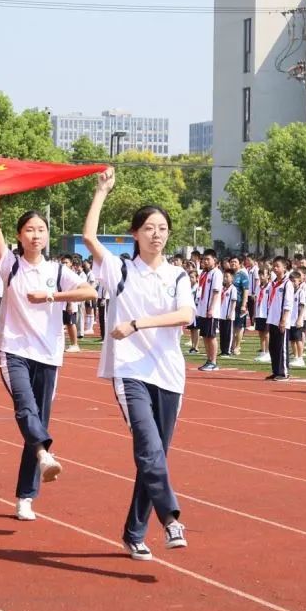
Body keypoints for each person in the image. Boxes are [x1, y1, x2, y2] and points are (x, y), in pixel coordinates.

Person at [83, 167, 194, 561]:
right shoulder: (121, 269)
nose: (157, 234)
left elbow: (185, 315)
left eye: (162, 227)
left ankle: (134, 532)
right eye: (148, 227)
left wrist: (136, 323)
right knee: (148, 450)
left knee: (155, 458)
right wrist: (101, 192)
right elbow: (90, 238)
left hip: (169, 374)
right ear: (135, 234)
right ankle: (171, 519)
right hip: (131, 372)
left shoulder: (178, 275)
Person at [0, 195, 95, 522]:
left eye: (41, 230)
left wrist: (52, 295)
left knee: (35, 424)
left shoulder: (58, 271)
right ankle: (44, 453)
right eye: (30, 230)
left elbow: (90, 292)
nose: (36, 235)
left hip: (48, 354)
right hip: (14, 349)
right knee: (25, 408)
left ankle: (26, 495)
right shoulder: (10, 264)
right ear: (19, 236)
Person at [266, 257, 294, 381]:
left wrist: (284, 319)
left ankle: (283, 372)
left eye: (277, 266)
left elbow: (288, 303)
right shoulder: (273, 283)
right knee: (273, 346)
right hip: (272, 318)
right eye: (274, 266)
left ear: (284, 267)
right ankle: (276, 370)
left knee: (281, 346)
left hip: (282, 319)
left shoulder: (288, 283)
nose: (275, 268)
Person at [194, 250, 221, 371]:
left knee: (211, 336)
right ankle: (208, 359)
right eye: (203, 259)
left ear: (214, 260)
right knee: (204, 335)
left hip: (211, 311)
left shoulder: (216, 274)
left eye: (207, 259)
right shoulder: (204, 274)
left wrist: (211, 308)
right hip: (202, 309)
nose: (205, 261)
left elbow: (216, 292)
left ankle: (213, 361)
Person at [230, 257, 250, 355]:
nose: (233, 263)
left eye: (235, 262)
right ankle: (232, 345)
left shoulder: (243, 275)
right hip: (230, 304)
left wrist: (244, 304)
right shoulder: (230, 274)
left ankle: (237, 346)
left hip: (239, 303)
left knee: (239, 326)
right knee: (232, 326)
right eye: (231, 262)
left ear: (239, 263)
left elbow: (246, 290)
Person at [217, 269, 238, 358]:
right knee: (222, 333)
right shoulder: (222, 288)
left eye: (227, 276)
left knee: (228, 333)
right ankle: (223, 350)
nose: (225, 278)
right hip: (221, 314)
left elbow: (233, 302)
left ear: (232, 278)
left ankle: (228, 351)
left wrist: (231, 313)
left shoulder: (233, 289)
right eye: (224, 276)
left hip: (228, 315)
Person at [252, 266, 271, 363]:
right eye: (260, 274)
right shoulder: (258, 286)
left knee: (267, 333)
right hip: (259, 313)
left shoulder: (271, 286)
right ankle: (263, 351)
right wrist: (254, 314)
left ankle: (268, 352)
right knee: (260, 333)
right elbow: (256, 300)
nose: (261, 276)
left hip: (267, 313)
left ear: (268, 275)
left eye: (263, 274)